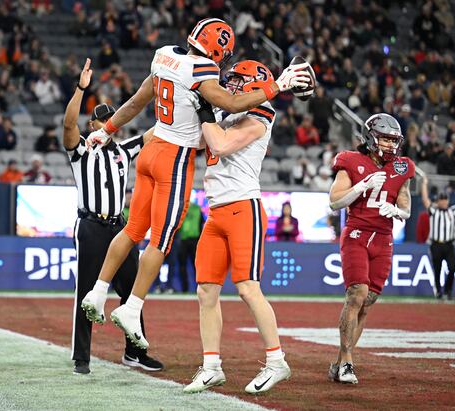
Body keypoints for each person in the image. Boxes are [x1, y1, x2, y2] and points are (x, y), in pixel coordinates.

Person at [81, 18, 311, 350]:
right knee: (160, 240)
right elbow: (232, 105)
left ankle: (98, 291)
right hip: (174, 160)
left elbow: (135, 101)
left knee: (132, 229)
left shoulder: (163, 55)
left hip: (151, 148)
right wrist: (277, 86)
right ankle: (132, 308)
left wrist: (107, 130)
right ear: (218, 48)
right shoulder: (201, 70)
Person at [184, 60, 291, 394]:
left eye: (236, 81)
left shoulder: (262, 114)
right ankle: (211, 365)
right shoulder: (226, 114)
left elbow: (220, 145)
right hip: (215, 211)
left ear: (254, 84)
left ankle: (277, 362)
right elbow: (200, 142)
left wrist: (204, 111)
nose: (228, 86)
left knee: (247, 287)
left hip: (244, 207)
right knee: (206, 290)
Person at [63, 59, 162, 375]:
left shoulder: (124, 150)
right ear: (93, 125)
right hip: (91, 225)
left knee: (132, 288)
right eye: (101, 121)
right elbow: (68, 127)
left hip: (120, 226)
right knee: (88, 289)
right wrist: (81, 88)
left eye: (111, 120)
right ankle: (82, 356)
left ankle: (135, 351)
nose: (107, 125)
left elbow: (155, 134)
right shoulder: (82, 151)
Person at [328, 113, 415, 384]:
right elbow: (335, 202)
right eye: (385, 139)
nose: (389, 145)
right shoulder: (351, 161)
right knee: (357, 293)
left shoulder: (402, 167)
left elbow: (406, 206)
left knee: (368, 301)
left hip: (384, 238)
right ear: (370, 137)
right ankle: (348, 363)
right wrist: (361, 186)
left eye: (393, 140)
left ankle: (341, 361)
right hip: (357, 233)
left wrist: (399, 211)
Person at [421, 175, 455, 300]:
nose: (444, 202)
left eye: (445, 200)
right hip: (436, 244)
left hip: (449, 245)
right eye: (441, 200)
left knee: (452, 267)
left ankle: (448, 291)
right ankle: (439, 291)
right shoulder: (433, 210)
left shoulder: (452, 210)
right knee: (437, 269)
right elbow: (425, 200)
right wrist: (424, 185)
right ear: (438, 201)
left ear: (448, 201)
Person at [176, 200, 204, 292]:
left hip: (194, 240)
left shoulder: (196, 208)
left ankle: (199, 288)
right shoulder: (181, 209)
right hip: (183, 240)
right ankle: (185, 288)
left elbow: (201, 224)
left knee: (196, 265)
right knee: (183, 266)